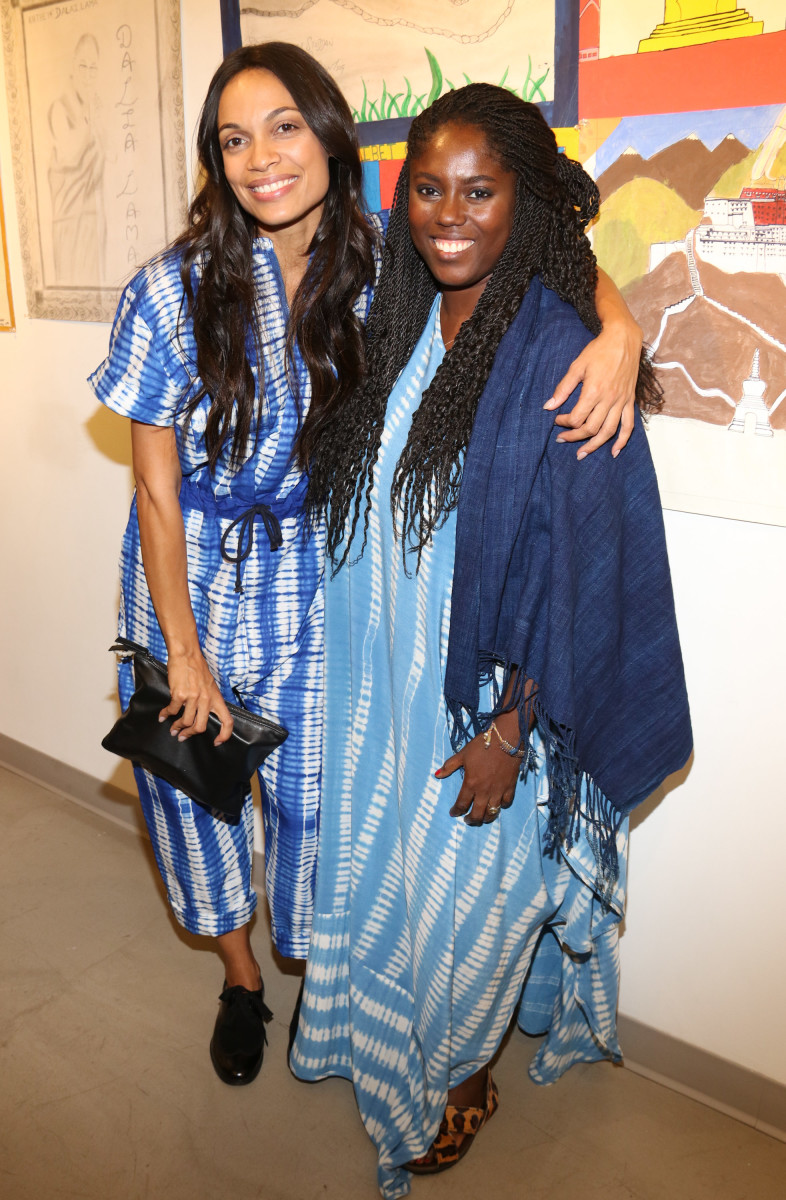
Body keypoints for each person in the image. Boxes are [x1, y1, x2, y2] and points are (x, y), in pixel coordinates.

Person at [90, 45, 643, 1089]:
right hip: (189, 577)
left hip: (315, 578)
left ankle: (315, 971)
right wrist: (185, 655)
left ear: (332, 133)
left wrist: (620, 328)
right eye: (233, 138)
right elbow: (155, 493)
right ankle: (243, 981)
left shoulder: (385, 256)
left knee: (312, 804)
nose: (261, 158)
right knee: (196, 797)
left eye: (285, 126)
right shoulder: (170, 290)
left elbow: (545, 252)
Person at [290, 84, 692, 1199]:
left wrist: (513, 730)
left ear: (526, 202)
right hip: (385, 681)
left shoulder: (563, 351)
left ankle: (463, 1075)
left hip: (483, 708)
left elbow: (579, 570)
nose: (448, 213)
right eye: (428, 188)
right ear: (399, 193)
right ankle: (385, 1042)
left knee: (471, 904)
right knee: (389, 881)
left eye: (480, 189)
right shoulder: (402, 311)